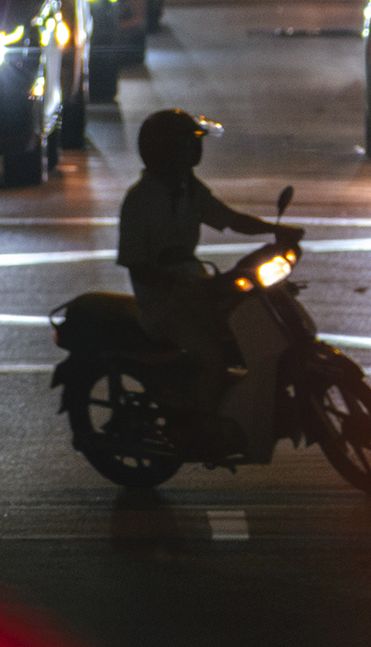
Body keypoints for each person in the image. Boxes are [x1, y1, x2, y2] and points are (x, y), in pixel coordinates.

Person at [117, 109, 275, 426]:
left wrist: (275, 231)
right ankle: (199, 425)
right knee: (213, 358)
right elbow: (137, 266)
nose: (194, 152)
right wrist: (176, 285)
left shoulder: (188, 188)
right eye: (188, 145)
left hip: (195, 288)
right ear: (168, 152)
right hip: (164, 306)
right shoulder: (140, 201)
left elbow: (229, 219)